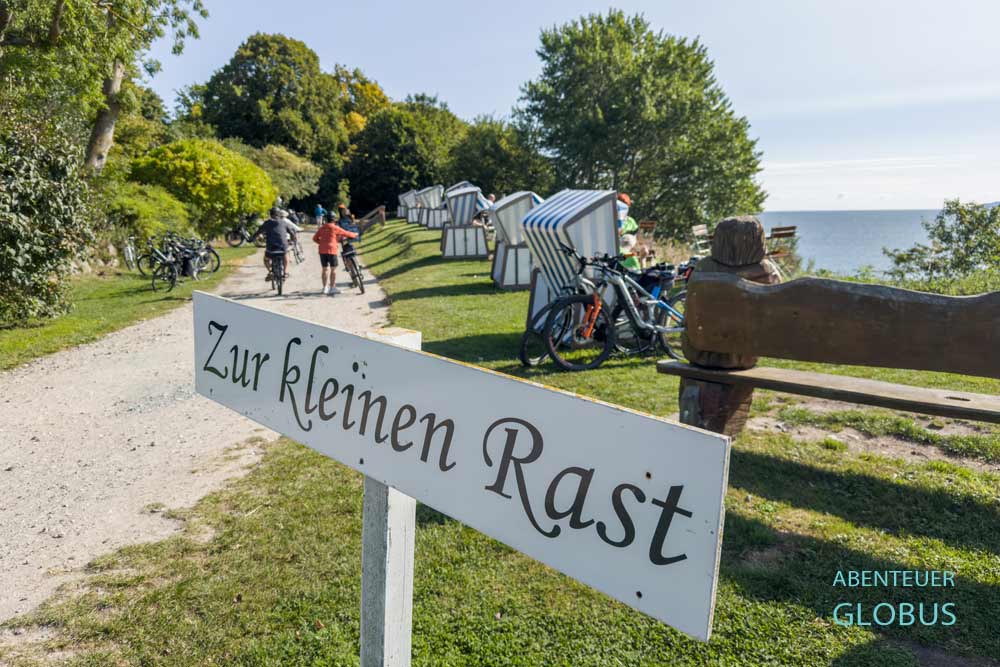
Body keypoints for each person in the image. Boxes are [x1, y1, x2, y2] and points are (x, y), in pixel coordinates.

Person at [312, 211, 358, 295]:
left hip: (322, 250)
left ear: (326, 219)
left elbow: (314, 238)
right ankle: (332, 288)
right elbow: (346, 233)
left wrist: (321, 243)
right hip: (332, 250)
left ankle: (325, 288)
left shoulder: (322, 228)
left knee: (324, 269)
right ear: (334, 219)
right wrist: (354, 235)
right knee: (333, 269)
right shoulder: (335, 227)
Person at [251, 207, 298, 280]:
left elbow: (259, 232)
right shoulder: (283, 222)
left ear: (270, 214)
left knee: (266, 259)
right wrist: (293, 240)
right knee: (285, 255)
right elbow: (292, 232)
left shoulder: (267, 223)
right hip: (282, 246)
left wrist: (252, 238)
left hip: (271, 248)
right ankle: (285, 272)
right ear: (279, 214)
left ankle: (270, 272)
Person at [616, 193, 641, 271]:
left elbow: (637, 237)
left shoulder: (631, 221)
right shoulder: (614, 220)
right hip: (620, 248)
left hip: (630, 246)